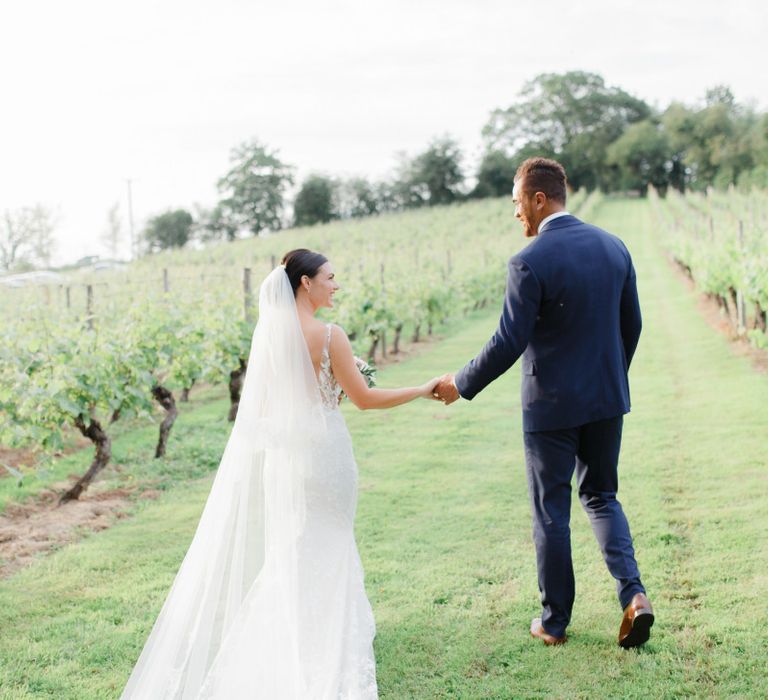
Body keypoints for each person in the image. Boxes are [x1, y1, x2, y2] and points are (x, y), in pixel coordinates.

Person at [120, 249, 439, 699]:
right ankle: (325, 643)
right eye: (330, 277)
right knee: (331, 541)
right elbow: (366, 399)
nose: (336, 284)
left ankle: (291, 636)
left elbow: (265, 411)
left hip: (290, 459)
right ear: (305, 283)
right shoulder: (330, 336)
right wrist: (422, 389)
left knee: (297, 545)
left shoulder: (270, 336)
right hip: (326, 454)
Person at [433, 157, 653, 648]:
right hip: (606, 398)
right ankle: (634, 596)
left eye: (517, 202)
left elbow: (508, 342)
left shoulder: (528, 260)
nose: (516, 214)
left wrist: (460, 383)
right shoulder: (614, 247)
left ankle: (554, 623)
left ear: (538, 198)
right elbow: (632, 326)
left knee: (551, 512)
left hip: (550, 408)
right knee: (602, 496)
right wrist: (609, 378)